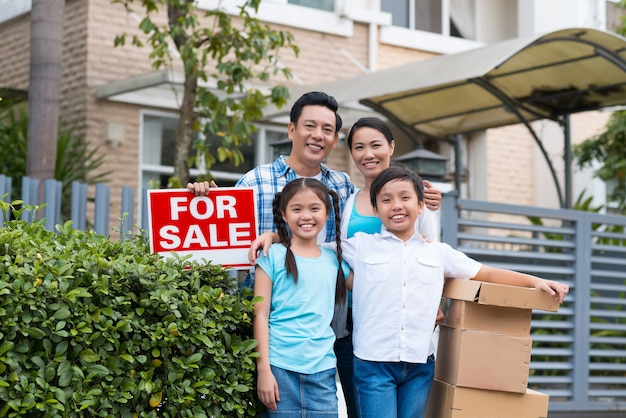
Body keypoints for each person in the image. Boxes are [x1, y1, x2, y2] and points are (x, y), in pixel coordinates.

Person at [339, 166, 569, 418]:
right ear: (375, 209)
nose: (396, 205)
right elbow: (318, 251)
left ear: (420, 206)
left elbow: (487, 273)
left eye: (405, 197)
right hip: (373, 363)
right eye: (386, 199)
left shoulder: (438, 252)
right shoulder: (360, 245)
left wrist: (534, 281)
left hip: (419, 364)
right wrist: (352, 281)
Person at [253, 178, 351, 416]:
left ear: (327, 213)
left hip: (323, 372)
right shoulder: (272, 256)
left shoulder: (335, 261)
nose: (306, 216)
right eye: (297, 209)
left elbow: (375, 289)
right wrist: (263, 370)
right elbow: (260, 314)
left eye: (314, 208)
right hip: (279, 369)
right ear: (284, 215)